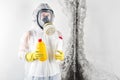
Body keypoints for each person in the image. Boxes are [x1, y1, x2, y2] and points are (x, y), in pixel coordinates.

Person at [18, 3, 64, 80]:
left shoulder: (57, 34)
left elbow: (60, 51)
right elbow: (20, 54)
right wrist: (30, 56)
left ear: (52, 17)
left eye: (48, 15)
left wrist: (61, 56)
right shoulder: (29, 34)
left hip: (54, 73)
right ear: (36, 17)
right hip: (36, 74)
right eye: (43, 16)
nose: (46, 19)